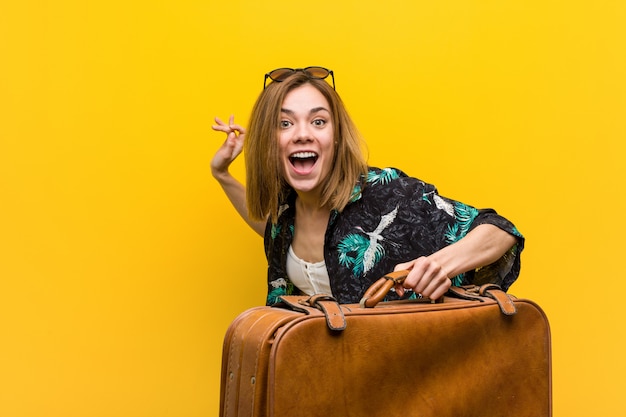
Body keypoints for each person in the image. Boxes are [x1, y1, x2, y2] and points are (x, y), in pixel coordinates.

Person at [211, 66, 523, 306]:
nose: (303, 134)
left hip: (397, 380)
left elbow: (499, 230)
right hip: (318, 380)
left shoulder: (388, 194)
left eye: (318, 121)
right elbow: (271, 230)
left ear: (335, 136)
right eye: (285, 123)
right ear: (268, 140)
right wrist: (223, 174)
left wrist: (438, 265)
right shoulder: (287, 210)